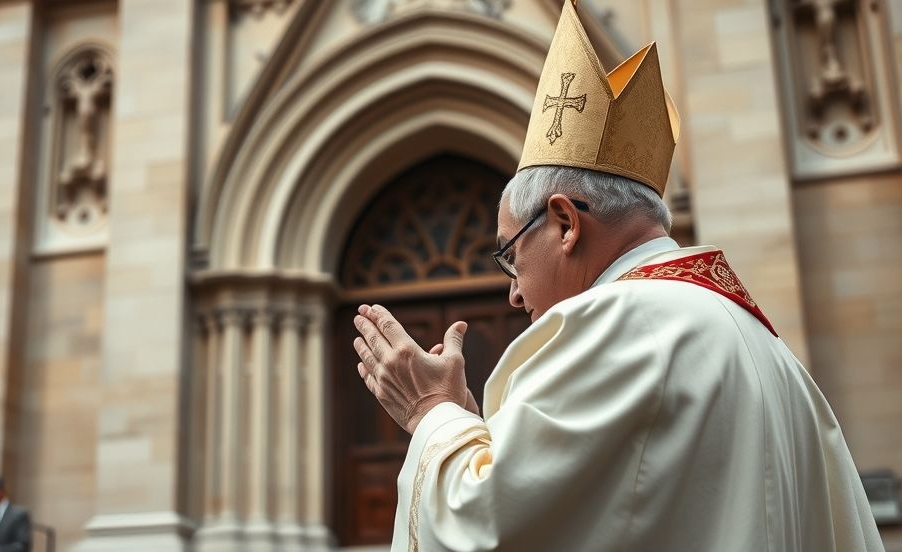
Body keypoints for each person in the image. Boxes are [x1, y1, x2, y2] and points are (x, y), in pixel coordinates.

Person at [351, 1, 885, 550]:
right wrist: (476, 433)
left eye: (510, 254)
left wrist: (431, 412)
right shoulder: (763, 344)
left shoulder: (619, 324)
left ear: (564, 224)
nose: (513, 293)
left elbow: (485, 524)